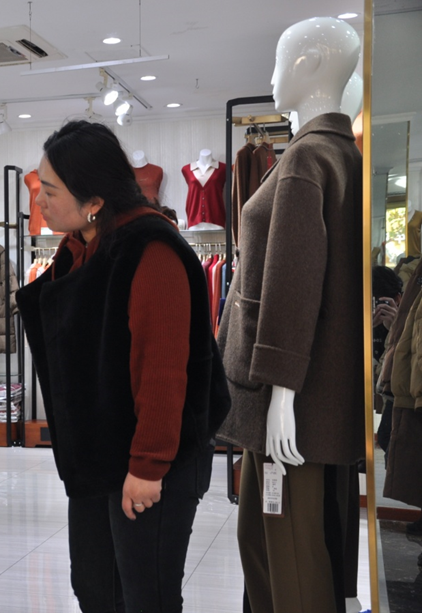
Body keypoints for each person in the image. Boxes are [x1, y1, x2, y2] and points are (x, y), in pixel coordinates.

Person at [16, 120, 229, 613]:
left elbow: (163, 371)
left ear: (93, 199)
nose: (40, 201)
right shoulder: (81, 246)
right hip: (101, 456)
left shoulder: (150, 249)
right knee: (95, 587)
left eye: (51, 190)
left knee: (146, 596)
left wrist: (147, 467)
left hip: (154, 460)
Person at [215, 16, 362, 613]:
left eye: (278, 60)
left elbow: (293, 285)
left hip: (289, 400)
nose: (272, 76)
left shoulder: (308, 159)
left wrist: (281, 393)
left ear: (308, 65)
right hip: (301, 392)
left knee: (288, 555)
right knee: (269, 544)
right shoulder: (338, 153)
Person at [372, 265, 401, 460]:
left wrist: (396, 329)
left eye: (384, 302)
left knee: (386, 436)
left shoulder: (405, 321)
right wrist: (366, 330)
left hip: (394, 400)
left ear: (398, 299)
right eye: (374, 302)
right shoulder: (364, 321)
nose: (379, 308)